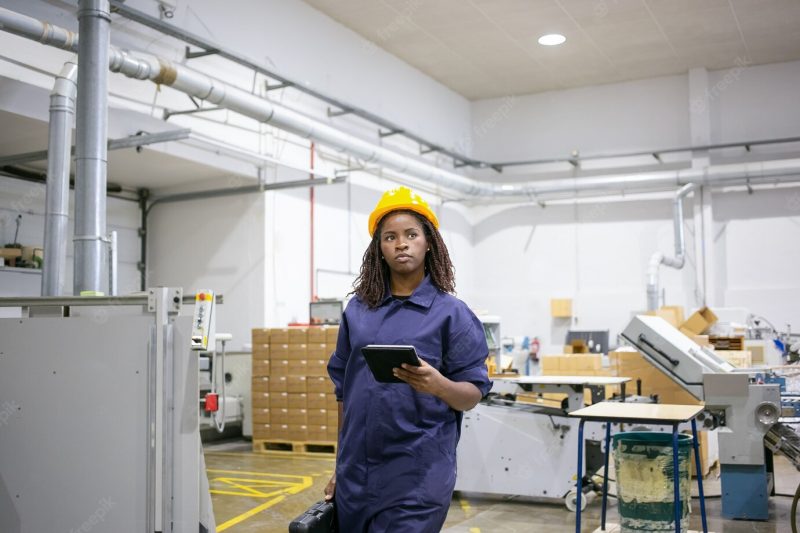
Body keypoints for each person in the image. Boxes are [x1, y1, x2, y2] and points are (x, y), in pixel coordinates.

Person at [325, 186, 492, 532]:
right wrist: (340, 466)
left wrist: (439, 385)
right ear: (379, 249)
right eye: (390, 237)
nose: (401, 243)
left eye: (411, 234)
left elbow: (473, 394)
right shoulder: (357, 311)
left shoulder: (451, 314)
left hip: (418, 474)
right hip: (358, 474)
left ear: (428, 242)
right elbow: (344, 391)